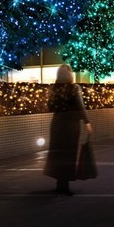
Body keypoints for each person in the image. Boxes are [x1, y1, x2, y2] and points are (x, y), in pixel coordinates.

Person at [44, 64, 93, 196]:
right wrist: (87, 122)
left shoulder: (53, 89)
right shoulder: (74, 88)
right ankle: (64, 186)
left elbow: (49, 107)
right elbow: (80, 106)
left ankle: (60, 183)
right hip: (71, 124)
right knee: (69, 153)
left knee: (57, 153)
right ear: (69, 74)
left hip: (57, 124)